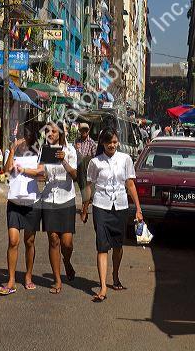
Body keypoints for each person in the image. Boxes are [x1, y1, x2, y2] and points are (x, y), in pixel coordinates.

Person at [80, 127, 143, 302]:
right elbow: (90, 187)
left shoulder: (125, 159)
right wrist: (85, 208)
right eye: (109, 142)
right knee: (102, 246)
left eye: (115, 142)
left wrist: (138, 209)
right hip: (101, 206)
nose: (112, 145)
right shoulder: (95, 162)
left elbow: (130, 185)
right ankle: (103, 287)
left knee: (118, 245)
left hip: (121, 206)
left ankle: (115, 276)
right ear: (103, 143)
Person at [0, 126, 43, 296]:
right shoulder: (14, 152)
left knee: (29, 241)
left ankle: (28, 276)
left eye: (27, 137)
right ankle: (11, 280)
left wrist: (24, 170)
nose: (24, 140)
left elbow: (41, 174)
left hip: (32, 203)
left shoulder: (38, 154)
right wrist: (11, 150)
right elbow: (6, 171)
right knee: (13, 241)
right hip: (14, 202)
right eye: (22, 137)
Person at [41, 122, 77, 294]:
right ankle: (57, 280)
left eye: (54, 131)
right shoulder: (44, 151)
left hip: (67, 199)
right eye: (48, 131)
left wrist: (63, 161)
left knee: (67, 242)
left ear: (60, 133)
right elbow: (42, 174)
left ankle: (67, 261)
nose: (50, 134)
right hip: (49, 199)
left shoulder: (70, 151)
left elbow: (75, 175)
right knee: (53, 239)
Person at [75, 123, 97, 202]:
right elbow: (75, 154)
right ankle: (86, 201)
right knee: (81, 185)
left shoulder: (92, 142)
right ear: (80, 131)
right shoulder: (77, 140)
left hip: (87, 167)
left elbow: (94, 158)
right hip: (78, 166)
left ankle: (86, 202)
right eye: (82, 130)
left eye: (86, 130)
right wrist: (76, 149)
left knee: (86, 185)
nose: (84, 132)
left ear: (88, 131)